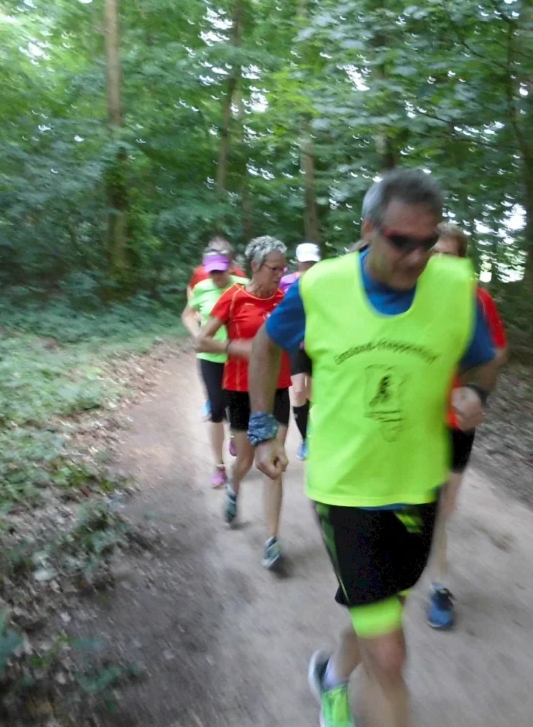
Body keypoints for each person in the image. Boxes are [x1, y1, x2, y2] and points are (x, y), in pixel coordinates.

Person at [247, 169, 499, 727]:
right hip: (345, 490)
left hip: (418, 484)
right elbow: (265, 348)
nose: (416, 256)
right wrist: (264, 429)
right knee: (391, 654)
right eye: (400, 241)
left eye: (427, 242)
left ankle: (331, 677)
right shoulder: (322, 286)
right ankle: (351, 690)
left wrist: (476, 390)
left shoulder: (456, 286)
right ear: (368, 230)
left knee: (380, 610)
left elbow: (489, 354)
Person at [426, 223, 509, 630]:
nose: (441, 260)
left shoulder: (476, 300)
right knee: (420, 501)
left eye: (450, 254)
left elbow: (497, 351)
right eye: (434, 252)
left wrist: (477, 391)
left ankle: (435, 575)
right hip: (412, 417)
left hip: (456, 418)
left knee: (445, 504)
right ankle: (427, 581)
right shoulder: (405, 298)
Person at [196, 236, 292, 570]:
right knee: (246, 461)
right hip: (239, 390)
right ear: (255, 266)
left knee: (274, 464)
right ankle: (234, 488)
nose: (280, 274)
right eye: (274, 268)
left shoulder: (286, 299)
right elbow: (202, 340)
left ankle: (272, 540)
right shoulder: (234, 297)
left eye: (284, 267)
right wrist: (242, 349)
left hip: (278, 389)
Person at [182, 253, 248, 488]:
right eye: (212, 271)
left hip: (238, 358)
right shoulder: (201, 288)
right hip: (210, 356)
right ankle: (219, 467)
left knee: (237, 407)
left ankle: (233, 436)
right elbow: (188, 315)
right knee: (217, 407)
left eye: (221, 270)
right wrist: (197, 335)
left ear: (230, 268)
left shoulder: (244, 286)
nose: (217, 275)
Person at [280, 242, 322, 461]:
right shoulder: (286, 282)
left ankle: (316, 436)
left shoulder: (326, 280)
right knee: (297, 391)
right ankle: (305, 438)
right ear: (298, 261)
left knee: (314, 393)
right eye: (305, 261)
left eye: (313, 261)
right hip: (295, 344)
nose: (309, 264)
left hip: (318, 343)